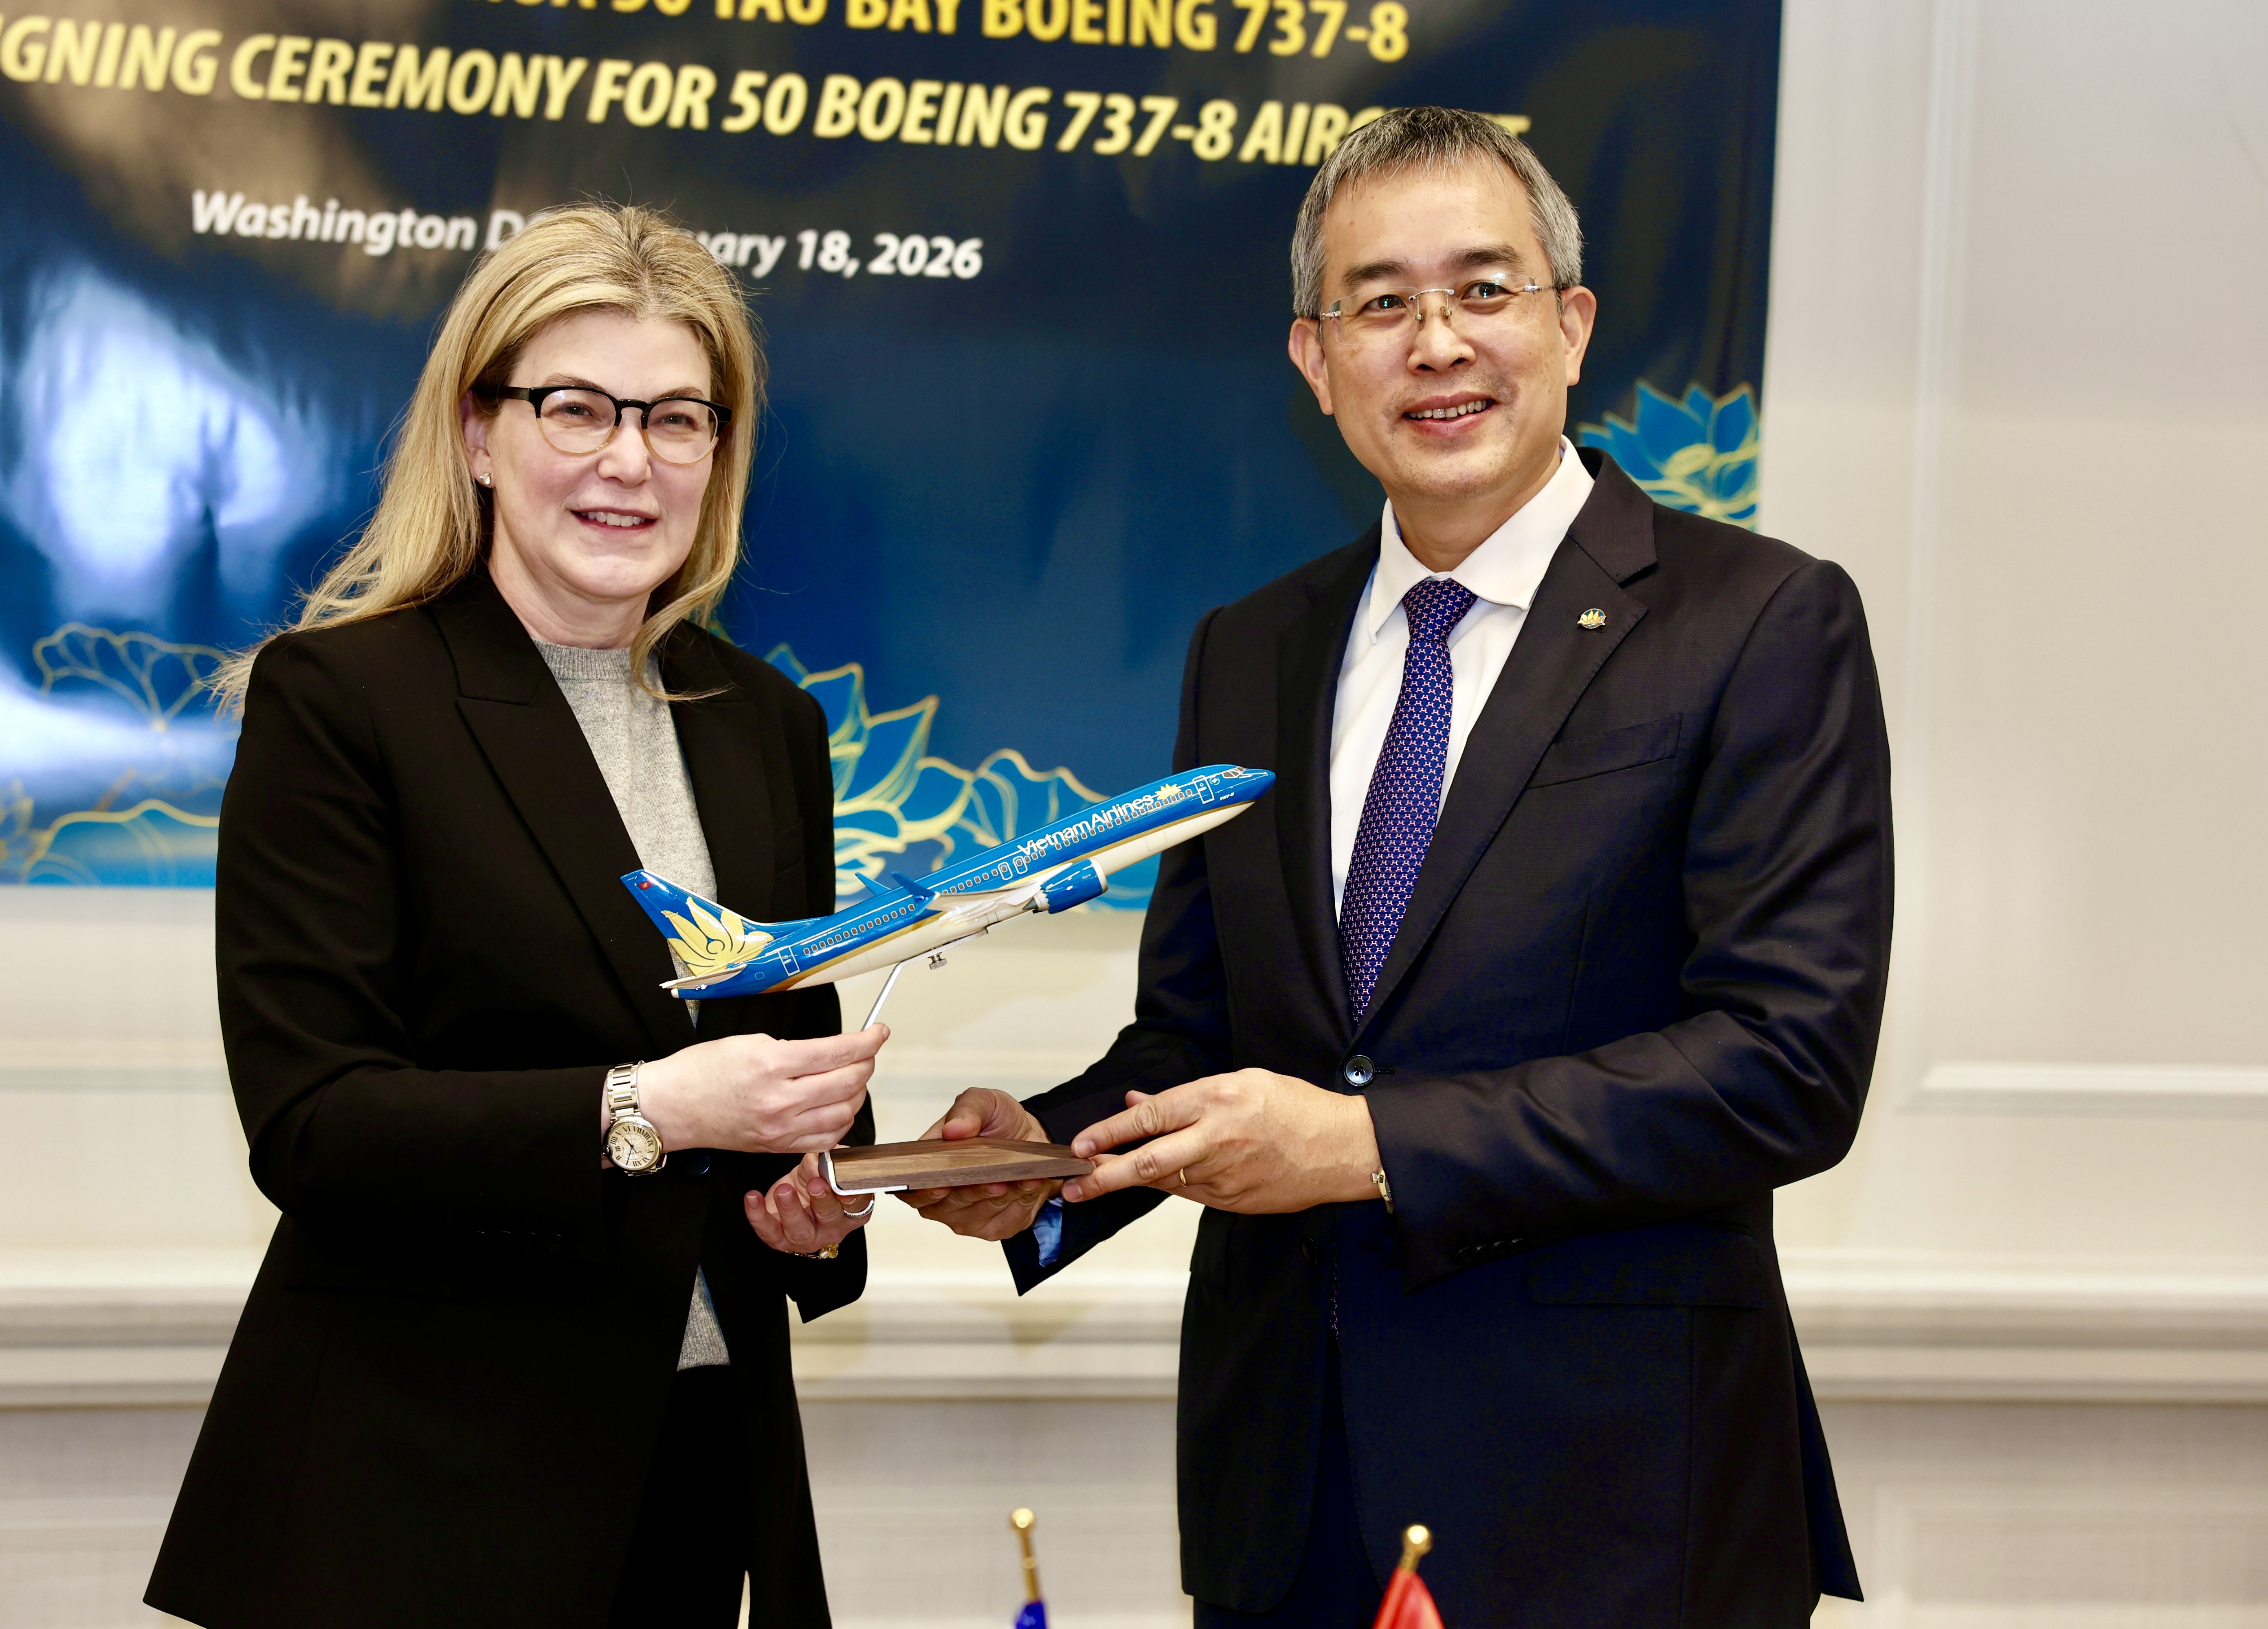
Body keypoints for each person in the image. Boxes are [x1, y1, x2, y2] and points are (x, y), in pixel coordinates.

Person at [905, 108, 1887, 1625]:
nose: (1437, 344)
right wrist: (1044, 1160)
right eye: (1380, 304)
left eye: (1485, 290)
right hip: (1290, 1497)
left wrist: (1371, 1148)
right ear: (1316, 359)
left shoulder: (1757, 619)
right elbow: (1206, 1035)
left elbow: (1785, 1064)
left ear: (1572, 326)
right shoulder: (1252, 648)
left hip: (1613, 1504)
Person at [146, 204, 883, 1629]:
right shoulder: (344, 701)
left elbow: (784, 1078)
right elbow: (314, 1123)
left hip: (695, 1476)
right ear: (479, 434)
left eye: (677, 418)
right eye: (577, 408)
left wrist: (816, 1199)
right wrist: (650, 1108)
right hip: (420, 1494)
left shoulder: (767, 725)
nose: (631, 460)